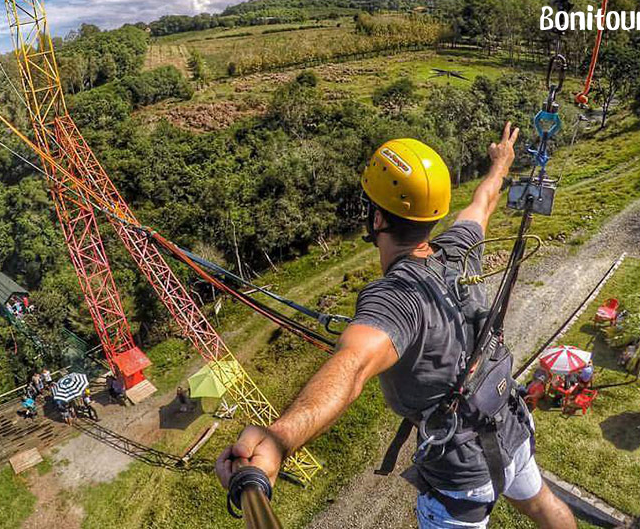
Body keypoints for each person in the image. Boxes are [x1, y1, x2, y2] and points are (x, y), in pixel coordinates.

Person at [216, 126, 575, 528]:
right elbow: (484, 201)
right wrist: (501, 162)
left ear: (378, 217)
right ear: (433, 214)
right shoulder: (459, 252)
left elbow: (352, 367)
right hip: (510, 426)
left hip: (461, 475)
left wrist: (281, 438)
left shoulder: (394, 298)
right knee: (545, 506)